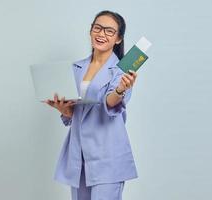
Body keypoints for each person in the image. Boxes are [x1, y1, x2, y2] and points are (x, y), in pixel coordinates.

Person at [44, 10, 138, 200]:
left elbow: (110, 103)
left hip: (107, 155)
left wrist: (120, 90)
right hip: (79, 154)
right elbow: (76, 113)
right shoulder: (76, 67)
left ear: (118, 39)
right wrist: (63, 108)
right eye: (98, 28)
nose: (101, 34)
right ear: (91, 31)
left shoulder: (122, 71)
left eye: (109, 31)